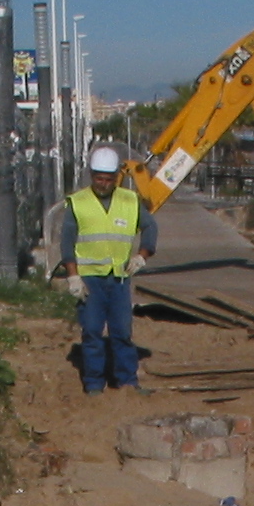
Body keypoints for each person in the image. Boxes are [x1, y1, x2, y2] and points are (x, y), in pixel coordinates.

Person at [55, 145, 157, 393]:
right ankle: (94, 385)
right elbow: (67, 241)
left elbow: (150, 228)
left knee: (121, 332)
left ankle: (127, 382)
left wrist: (142, 256)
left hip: (119, 279)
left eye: (108, 179)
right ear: (92, 176)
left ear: (116, 178)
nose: (103, 183)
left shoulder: (129, 200)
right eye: (99, 178)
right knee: (91, 332)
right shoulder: (78, 203)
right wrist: (73, 276)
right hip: (91, 280)